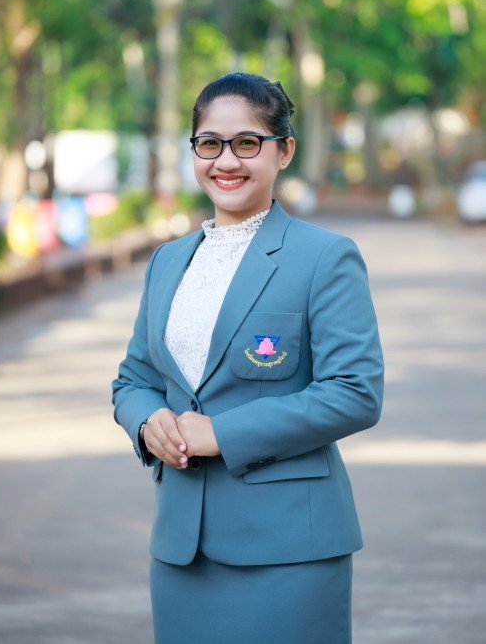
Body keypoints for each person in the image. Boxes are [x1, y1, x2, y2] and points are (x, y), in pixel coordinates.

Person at [111, 71, 384, 644]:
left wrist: (222, 433)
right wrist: (147, 420)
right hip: (181, 551)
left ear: (284, 151)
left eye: (247, 142)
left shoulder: (325, 257)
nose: (226, 161)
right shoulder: (168, 261)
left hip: (289, 550)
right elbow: (134, 378)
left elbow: (354, 392)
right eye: (210, 143)